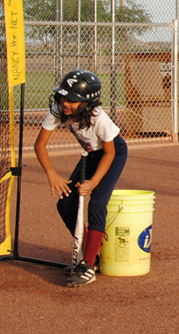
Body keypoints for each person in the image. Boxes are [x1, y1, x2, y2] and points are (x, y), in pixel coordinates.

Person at [34, 70, 128, 287]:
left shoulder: (97, 117)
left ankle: (87, 265)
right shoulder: (58, 109)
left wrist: (93, 183)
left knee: (96, 203)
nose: (65, 103)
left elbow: (110, 153)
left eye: (73, 100)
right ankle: (91, 255)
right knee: (66, 204)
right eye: (63, 97)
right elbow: (40, 145)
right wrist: (52, 174)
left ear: (87, 103)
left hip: (112, 154)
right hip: (91, 154)